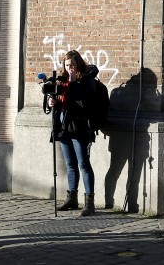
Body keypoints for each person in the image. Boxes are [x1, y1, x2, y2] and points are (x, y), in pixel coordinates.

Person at [48, 50, 99, 216]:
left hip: (79, 128)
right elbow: (57, 102)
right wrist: (51, 102)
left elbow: (85, 100)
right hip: (63, 127)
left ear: (78, 66)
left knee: (83, 164)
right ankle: (72, 197)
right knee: (70, 165)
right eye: (67, 65)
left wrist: (74, 81)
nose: (69, 68)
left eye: (72, 65)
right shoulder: (62, 81)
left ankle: (89, 202)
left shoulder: (87, 80)